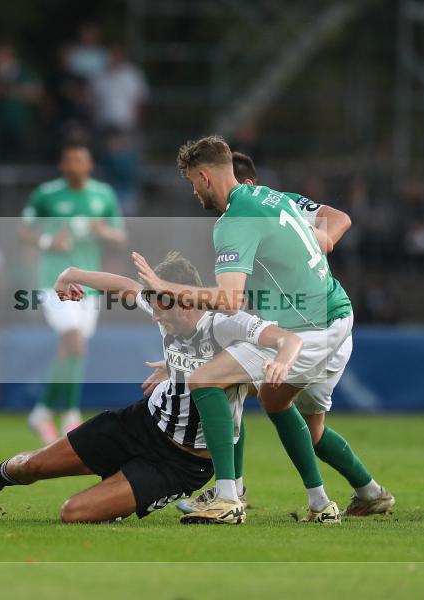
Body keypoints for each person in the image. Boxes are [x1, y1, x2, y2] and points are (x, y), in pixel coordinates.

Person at [0, 253, 302, 523]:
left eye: (161, 306)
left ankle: (143, 496)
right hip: (139, 423)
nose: (154, 315)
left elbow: (287, 338)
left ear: (183, 298)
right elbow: (123, 286)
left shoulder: (226, 323)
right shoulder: (163, 307)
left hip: (180, 463)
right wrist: (70, 275)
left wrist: (282, 360)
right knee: (33, 466)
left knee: (73, 513)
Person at [131, 136, 368, 524]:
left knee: (207, 380)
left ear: (205, 177)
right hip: (331, 317)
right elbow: (332, 219)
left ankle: (228, 496)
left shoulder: (234, 222)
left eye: (192, 183)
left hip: (306, 330)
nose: (193, 192)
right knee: (272, 400)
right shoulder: (275, 197)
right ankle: (320, 503)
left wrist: (166, 288)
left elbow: (228, 299)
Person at [19, 141, 126, 442]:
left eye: (81, 161)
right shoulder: (46, 194)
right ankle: (70, 414)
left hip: (90, 286)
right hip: (55, 281)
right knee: (75, 342)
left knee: (71, 348)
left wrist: (104, 231)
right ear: (63, 166)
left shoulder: (103, 195)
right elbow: (24, 230)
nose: (76, 166)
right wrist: (47, 242)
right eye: (70, 161)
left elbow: (120, 235)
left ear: (89, 165)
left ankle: (41, 412)